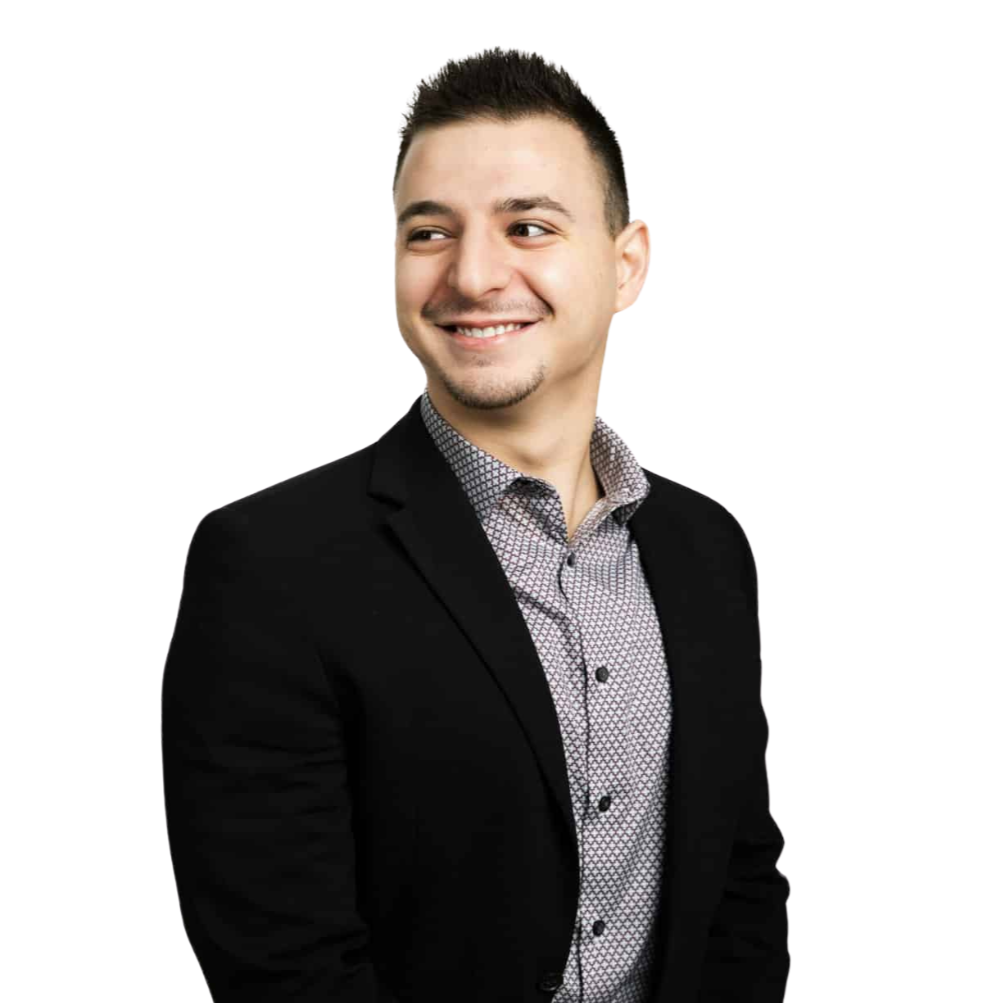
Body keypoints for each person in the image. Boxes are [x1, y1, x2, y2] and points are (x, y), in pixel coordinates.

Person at [161, 46, 790, 1003]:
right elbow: (284, 967)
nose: (473, 274)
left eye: (527, 226)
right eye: (429, 232)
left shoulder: (705, 550)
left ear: (625, 264)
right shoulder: (269, 567)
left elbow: (736, 884)